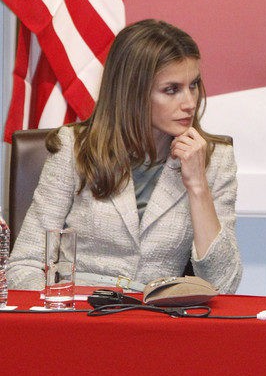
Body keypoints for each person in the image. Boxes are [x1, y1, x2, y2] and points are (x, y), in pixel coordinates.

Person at [8, 20, 242, 293]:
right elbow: (24, 265)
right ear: (132, 91)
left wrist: (199, 187)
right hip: (79, 312)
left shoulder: (215, 160)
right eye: (172, 89)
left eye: (194, 85)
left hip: (155, 318)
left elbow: (222, 285)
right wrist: (60, 310)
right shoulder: (73, 148)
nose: (190, 102)